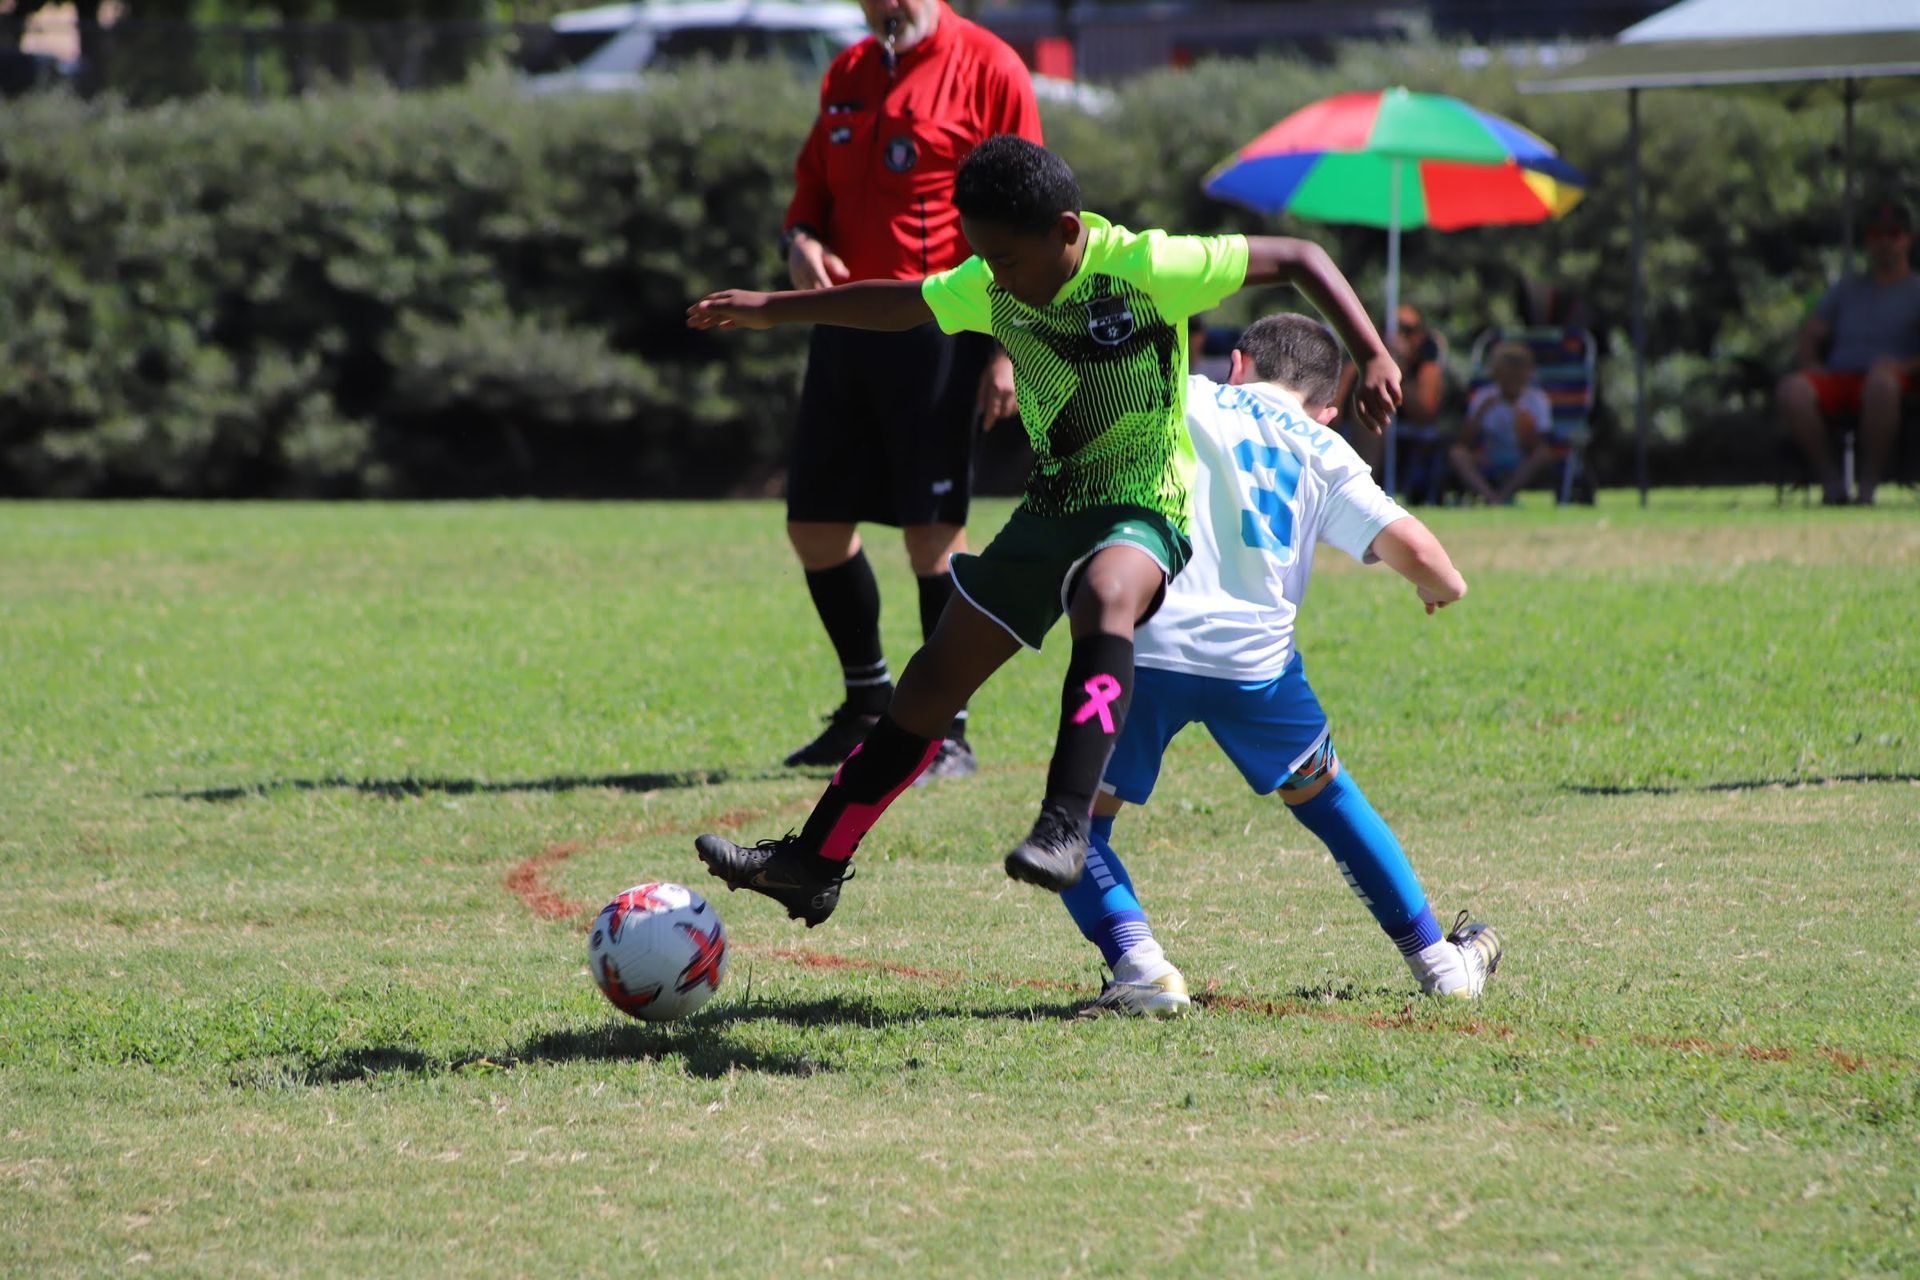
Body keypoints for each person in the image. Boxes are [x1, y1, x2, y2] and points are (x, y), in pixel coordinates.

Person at [685, 136, 1402, 927]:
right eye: (982, 259)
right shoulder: (995, 281)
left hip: (1144, 505)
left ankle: (1065, 824)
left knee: (1106, 596)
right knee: (930, 685)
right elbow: (898, 302)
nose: (994, 277)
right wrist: (772, 310)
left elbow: (1300, 256)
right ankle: (813, 862)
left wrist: (1370, 354)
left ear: (1066, 231)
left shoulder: (1148, 267)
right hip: (1054, 508)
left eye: (1006, 259)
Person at [1054, 312, 1501, 1016]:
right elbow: (1426, 556)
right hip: (1256, 665)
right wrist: (1437, 586)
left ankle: (1140, 965)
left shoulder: (1185, 394)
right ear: (1327, 407)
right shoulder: (1322, 445)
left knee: (1074, 820)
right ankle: (1441, 965)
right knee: (1329, 801)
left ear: (1237, 364)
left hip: (1145, 641)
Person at [776, 0, 1042, 778]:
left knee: (933, 537)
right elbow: (812, 188)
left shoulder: (990, 67)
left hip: (940, 329)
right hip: (844, 320)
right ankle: (867, 703)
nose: (880, 6)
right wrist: (801, 242)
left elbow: (1031, 216)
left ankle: (944, 731)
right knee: (814, 525)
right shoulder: (848, 70)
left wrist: (1006, 350)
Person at [1777, 197, 1920, 506]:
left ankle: (1867, 485)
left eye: (1893, 234)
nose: (1884, 242)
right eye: (1876, 234)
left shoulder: (1916, 291)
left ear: (1908, 239)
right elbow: (1811, 333)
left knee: (1882, 384)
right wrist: (1811, 363)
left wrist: (1903, 366)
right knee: (1793, 389)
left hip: (1894, 380)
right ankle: (1831, 482)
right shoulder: (1845, 290)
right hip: (1840, 376)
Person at [1448, 341, 1555, 504]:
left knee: (1543, 454)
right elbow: (1465, 441)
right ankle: (1491, 497)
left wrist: (1523, 425)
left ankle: (1503, 495)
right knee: (1457, 454)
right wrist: (1480, 413)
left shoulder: (1537, 400)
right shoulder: (1484, 397)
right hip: (1490, 455)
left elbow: (1539, 444)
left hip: (1521, 458)